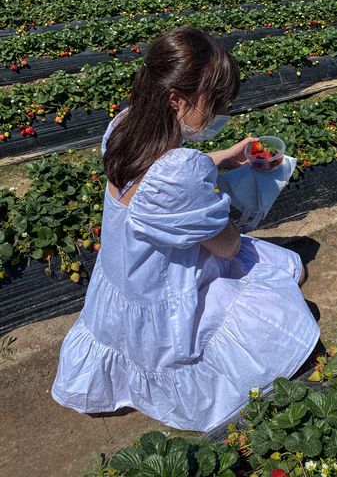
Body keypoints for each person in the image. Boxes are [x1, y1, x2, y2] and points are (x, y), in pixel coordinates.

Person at [51, 27, 320, 432]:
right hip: (163, 298)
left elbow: (163, 170)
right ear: (176, 99)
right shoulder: (180, 175)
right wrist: (241, 202)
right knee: (275, 292)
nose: (218, 114)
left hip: (121, 285)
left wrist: (226, 157)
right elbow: (227, 247)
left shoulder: (124, 128)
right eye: (214, 103)